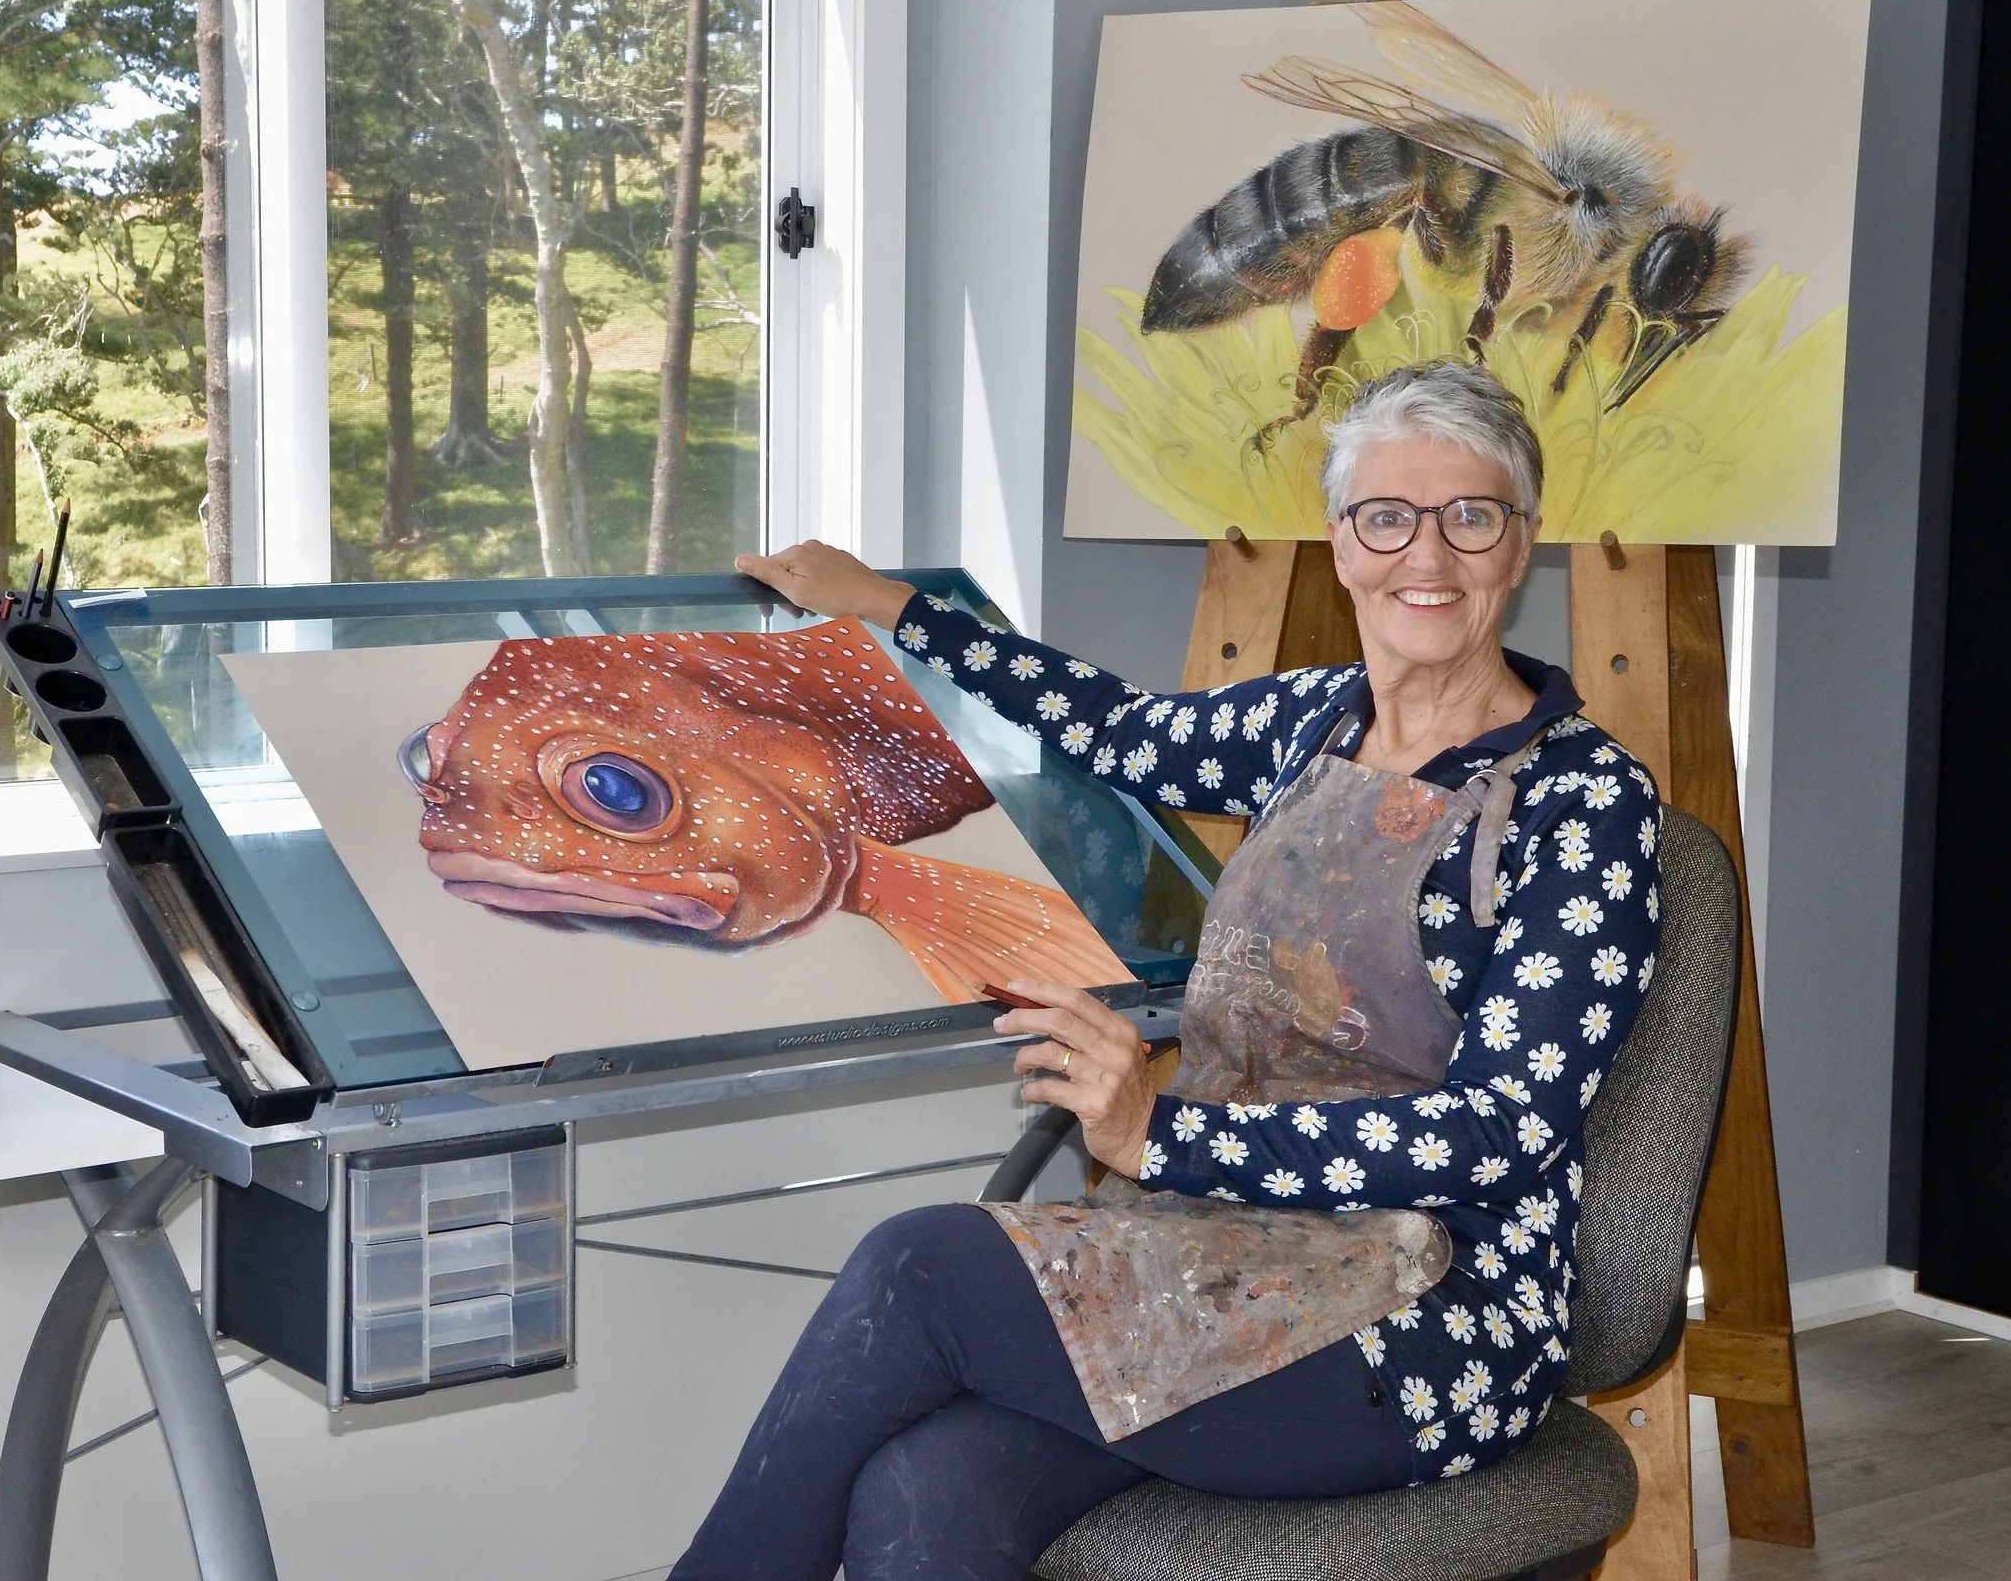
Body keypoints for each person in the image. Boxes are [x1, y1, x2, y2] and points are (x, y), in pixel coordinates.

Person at [667, 361, 1665, 1581]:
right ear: (1341, 540)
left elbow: (1501, 1132)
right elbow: (1123, 729)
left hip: (1430, 1323)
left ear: (1521, 543)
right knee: (930, 1489)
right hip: (1224, 1249)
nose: (1429, 556)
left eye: (1472, 517)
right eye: (1386, 516)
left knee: (921, 1265)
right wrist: (889, 605)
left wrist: (1164, 1136)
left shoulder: (1584, 804)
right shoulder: (1311, 722)